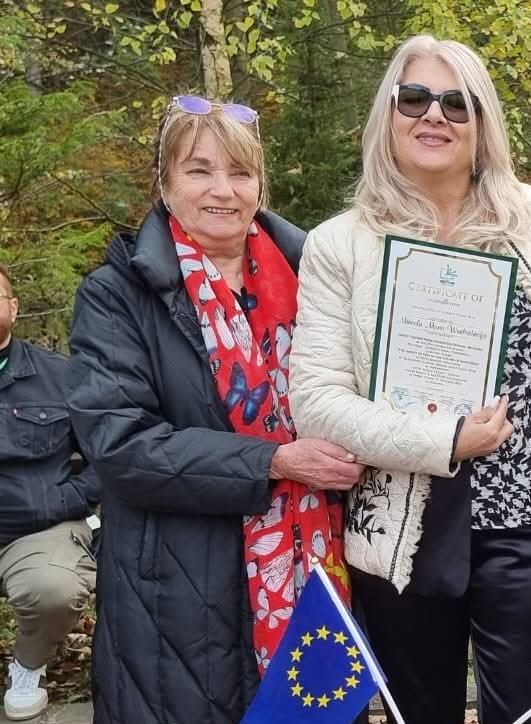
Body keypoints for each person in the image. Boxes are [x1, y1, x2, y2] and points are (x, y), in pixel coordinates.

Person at [288, 35, 531, 724]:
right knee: (418, 712)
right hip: (406, 526)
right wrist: (445, 440)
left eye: (458, 103)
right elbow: (316, 401)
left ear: (483, 121)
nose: (435, 115)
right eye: (415, 99)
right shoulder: (340, 243)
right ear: (388, 114)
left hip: (530, 522)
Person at [66, 96, 364, 724]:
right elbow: (120, 445)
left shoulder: (319, 277)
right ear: (165, 181)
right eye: (199, 170)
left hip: (317, 567)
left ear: (260, 184)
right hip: (175, 595)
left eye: (240, 172)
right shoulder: (117, 295)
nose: (222, 190)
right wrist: (274, 462)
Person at [0, 264, 98, 721]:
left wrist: (62, 501)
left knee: (54, 587)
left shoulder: (61, 376)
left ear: (13, 307)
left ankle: (27, 666)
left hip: (37, 532)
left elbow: (107, 458)